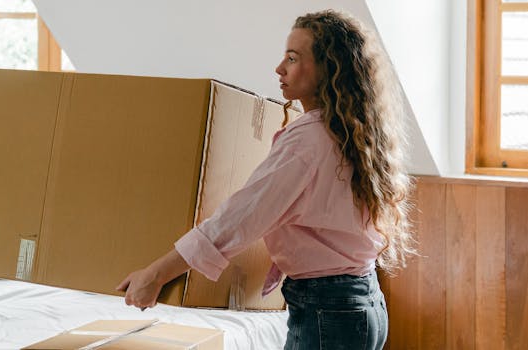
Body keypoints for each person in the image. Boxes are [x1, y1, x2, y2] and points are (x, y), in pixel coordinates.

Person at [117, 9, 415, 350]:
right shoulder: (353, 133)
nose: (279, 68)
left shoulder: (309, 140)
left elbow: (240, 217)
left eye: (292, 58)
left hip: (328, 311)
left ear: (328, 69)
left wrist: (156, 274)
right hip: (365, 302)